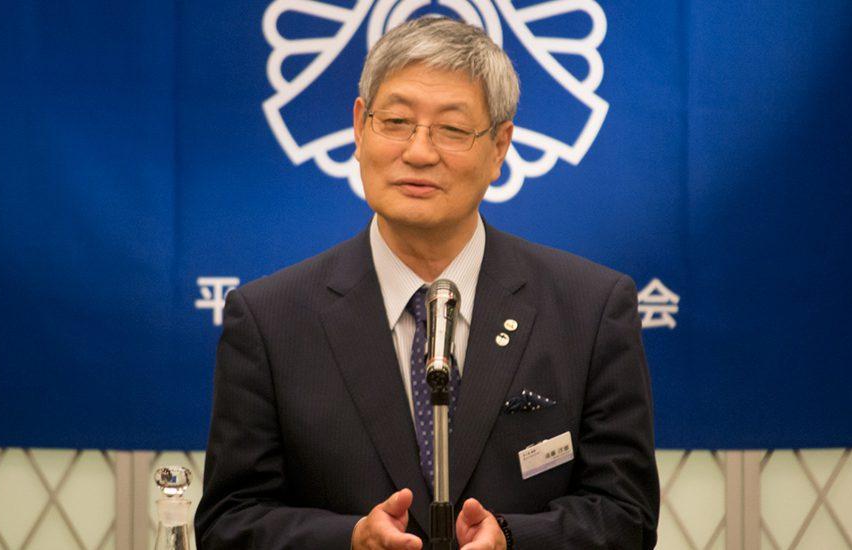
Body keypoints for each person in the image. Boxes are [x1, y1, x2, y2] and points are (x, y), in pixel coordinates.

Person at [195, 16, 659, 549]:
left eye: (452, 129)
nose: (418, 152)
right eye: (395, 122)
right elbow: (229, 522)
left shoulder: (590, 309)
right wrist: (349, 540)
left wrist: (514, 540)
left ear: (500, 146)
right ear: (359, 126)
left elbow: (626, 515)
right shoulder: (269, 320)